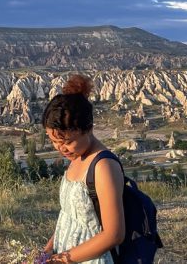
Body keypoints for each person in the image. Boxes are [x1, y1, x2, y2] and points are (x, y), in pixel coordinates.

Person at [42, 74, 125, 264]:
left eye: (67, 141)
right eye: (54, 142)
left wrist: (60, 260)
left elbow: (114, 234)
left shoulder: (104, 166)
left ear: (88, 129)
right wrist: (46, 252)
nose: (61, 148)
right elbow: (68, 217)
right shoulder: (76, 158)